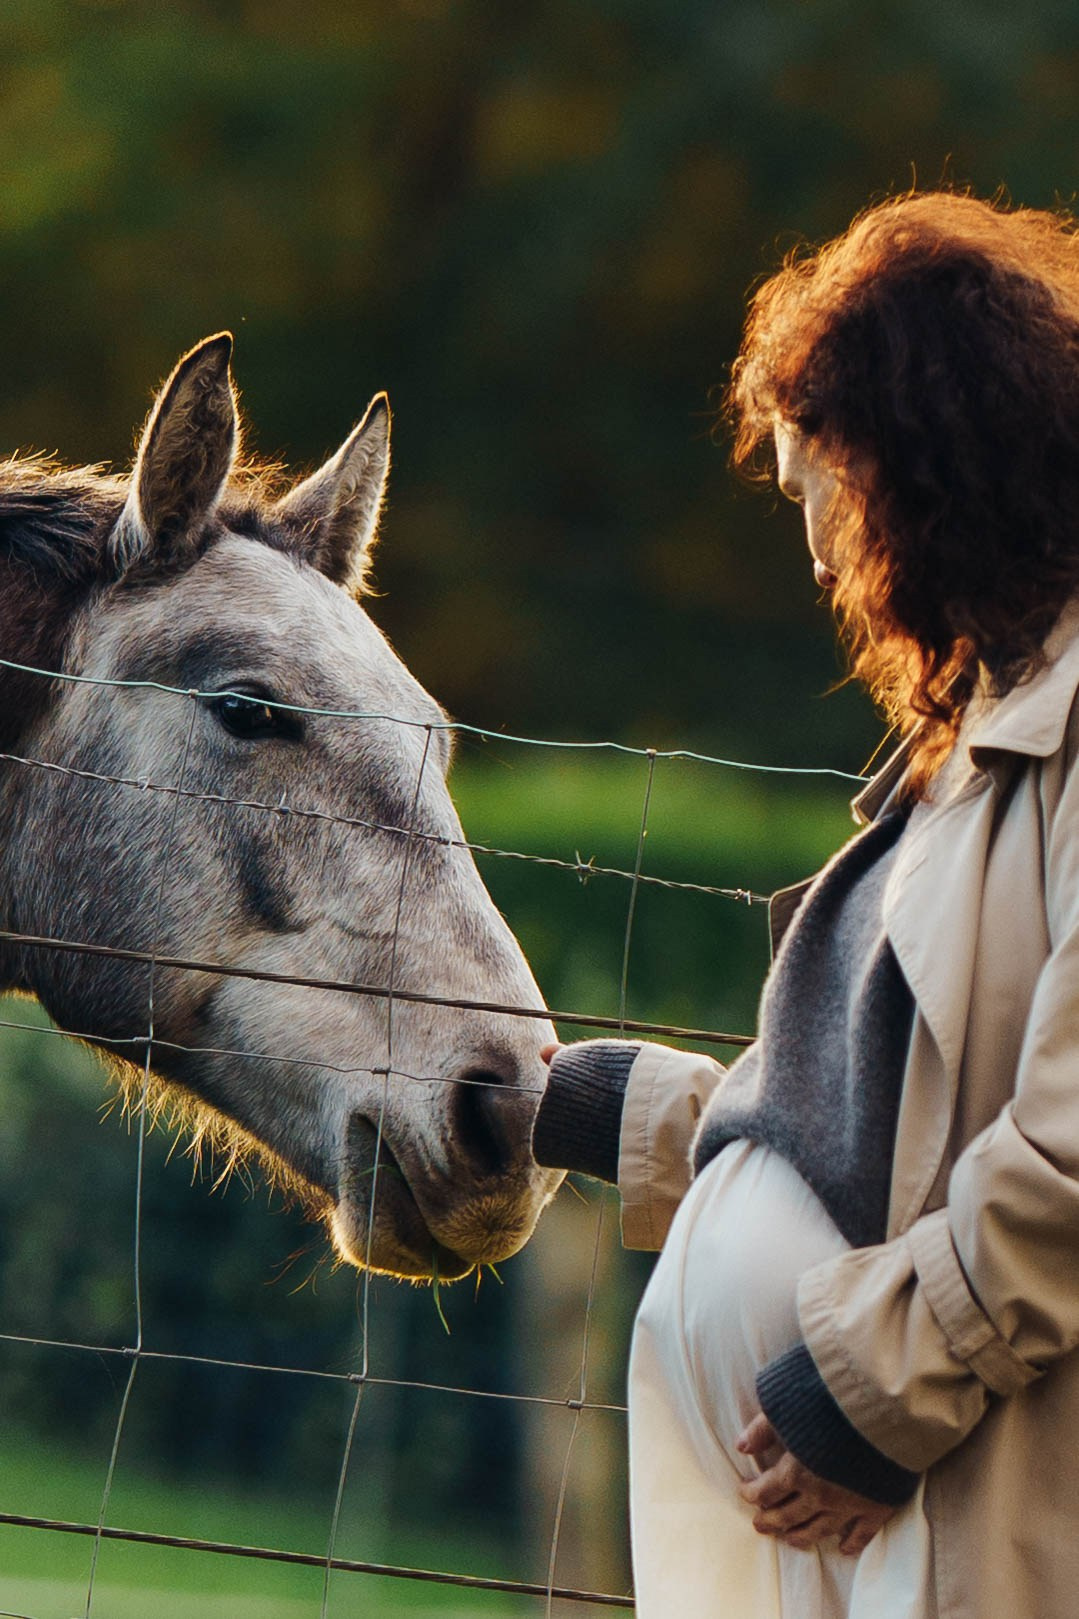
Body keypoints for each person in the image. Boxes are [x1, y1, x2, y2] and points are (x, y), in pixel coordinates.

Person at [531, 191, 1079, 1619]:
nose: (819, 551)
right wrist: (645, 1120)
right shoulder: (984, 727)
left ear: (910, 456)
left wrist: (877, 1393)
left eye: (811, 487)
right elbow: (895, 1126)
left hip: (961, 1503)